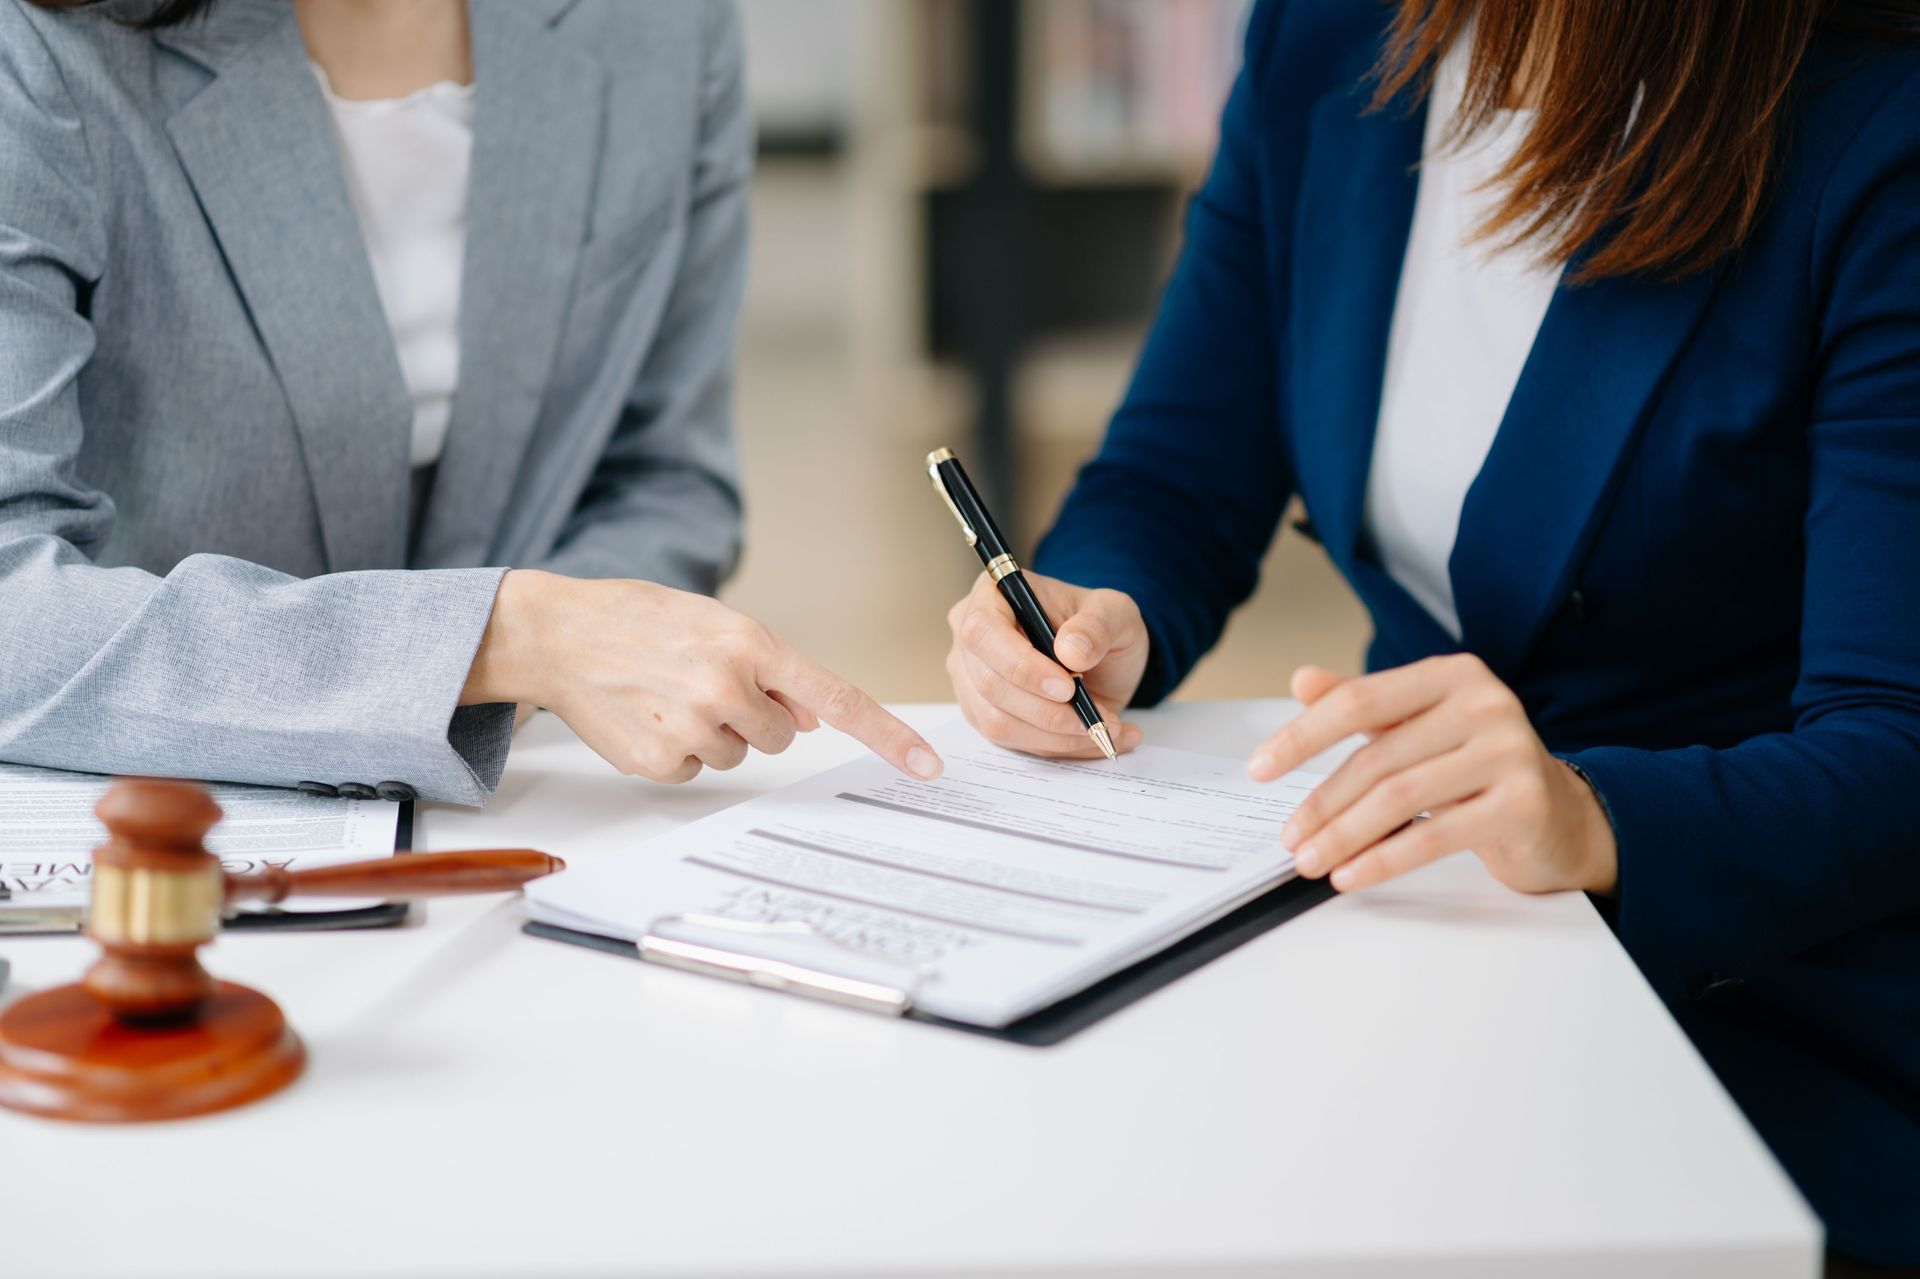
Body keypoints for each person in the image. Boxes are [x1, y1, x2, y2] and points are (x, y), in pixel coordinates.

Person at [945, 0, 1920, 1266]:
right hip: (1409, 928)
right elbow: (1176, 478)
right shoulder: (1328, 34)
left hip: (1758, 991)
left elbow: (1896, 744)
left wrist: (1589, 817)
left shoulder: (1873, 119)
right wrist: (1096, 614)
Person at [0, 0, 943, 805]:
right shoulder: (44, 46)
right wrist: (507, 638)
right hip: (158, 812)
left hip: (529, 800)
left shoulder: (665, 28)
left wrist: (570, 664)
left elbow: (667, 478)